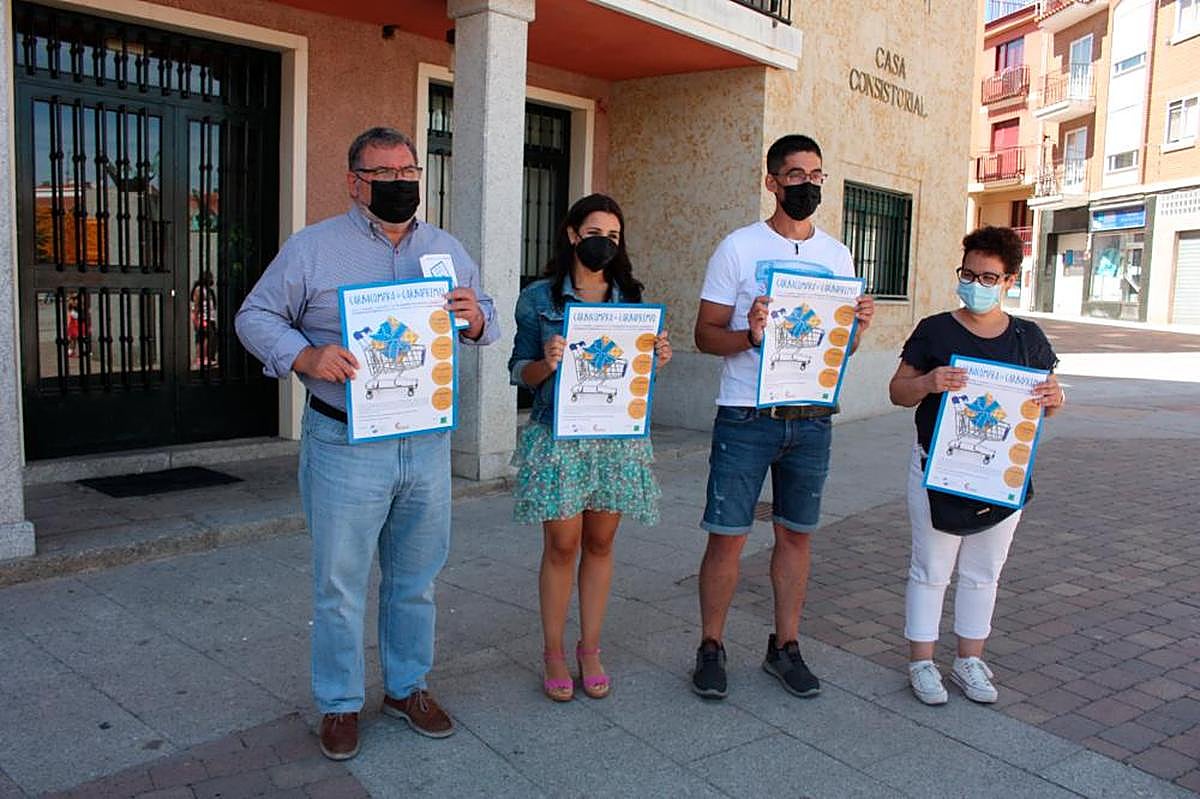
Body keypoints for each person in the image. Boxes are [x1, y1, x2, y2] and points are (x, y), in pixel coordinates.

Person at [235, 127, 499, 760]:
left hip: (426, 442)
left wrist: (478, 315)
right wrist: (304, 354)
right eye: (385, 174)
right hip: (345, 442)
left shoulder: (445, 248)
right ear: (355, 183)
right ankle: (339, 703)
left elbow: (485, 317)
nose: (402, 183)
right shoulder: (312, 249)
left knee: (416, 579)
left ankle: (408, 688)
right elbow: (254, 315)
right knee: (340, 582)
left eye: (409, 171)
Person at [690, 134, 874, 700]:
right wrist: (749, 331)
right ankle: (712, 647)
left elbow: (835, 349)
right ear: (772, 182)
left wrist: (856, 331)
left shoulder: (837, 256)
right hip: (748, 414)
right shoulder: (737, 248)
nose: (807, 186)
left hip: (812, 415)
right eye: (795, 175)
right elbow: (703, 335)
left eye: (816, 175)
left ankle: (785, 646)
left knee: (796, 536)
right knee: (729, 538)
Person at [888, 225, 1064, 706]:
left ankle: (968, 660)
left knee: (985, 571)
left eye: (989, 277)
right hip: (938, 469)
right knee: (931, 568)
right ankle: (922, 663)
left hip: (998, 475)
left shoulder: (1028, 338)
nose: (976, 284)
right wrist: (927, 382)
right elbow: (898, 391)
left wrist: (1055, 397)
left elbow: (1046, 398)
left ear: (1010, 281)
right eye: (968, 273)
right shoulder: (934, 330)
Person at [508, 193, 672, 702]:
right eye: (596, 232)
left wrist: (656, 359)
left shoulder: (633, 301)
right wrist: (547, 363)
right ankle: (554, 651)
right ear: (574, 234)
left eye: (615, 237)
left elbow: (633, 374)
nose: (605, 242)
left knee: (601, 544)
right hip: (559, 436)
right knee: (562, 545)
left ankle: (590, 647)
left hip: (616, 441)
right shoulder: (539, 299)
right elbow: (519, 370)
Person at [191, 271, 218, 368]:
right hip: (203, 317)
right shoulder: (200, 290)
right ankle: (202, 358)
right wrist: (196, 319)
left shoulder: (208, 290)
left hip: (210, 317)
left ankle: (207, 357)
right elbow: (196, 306)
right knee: (205, 337)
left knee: (210, 337)